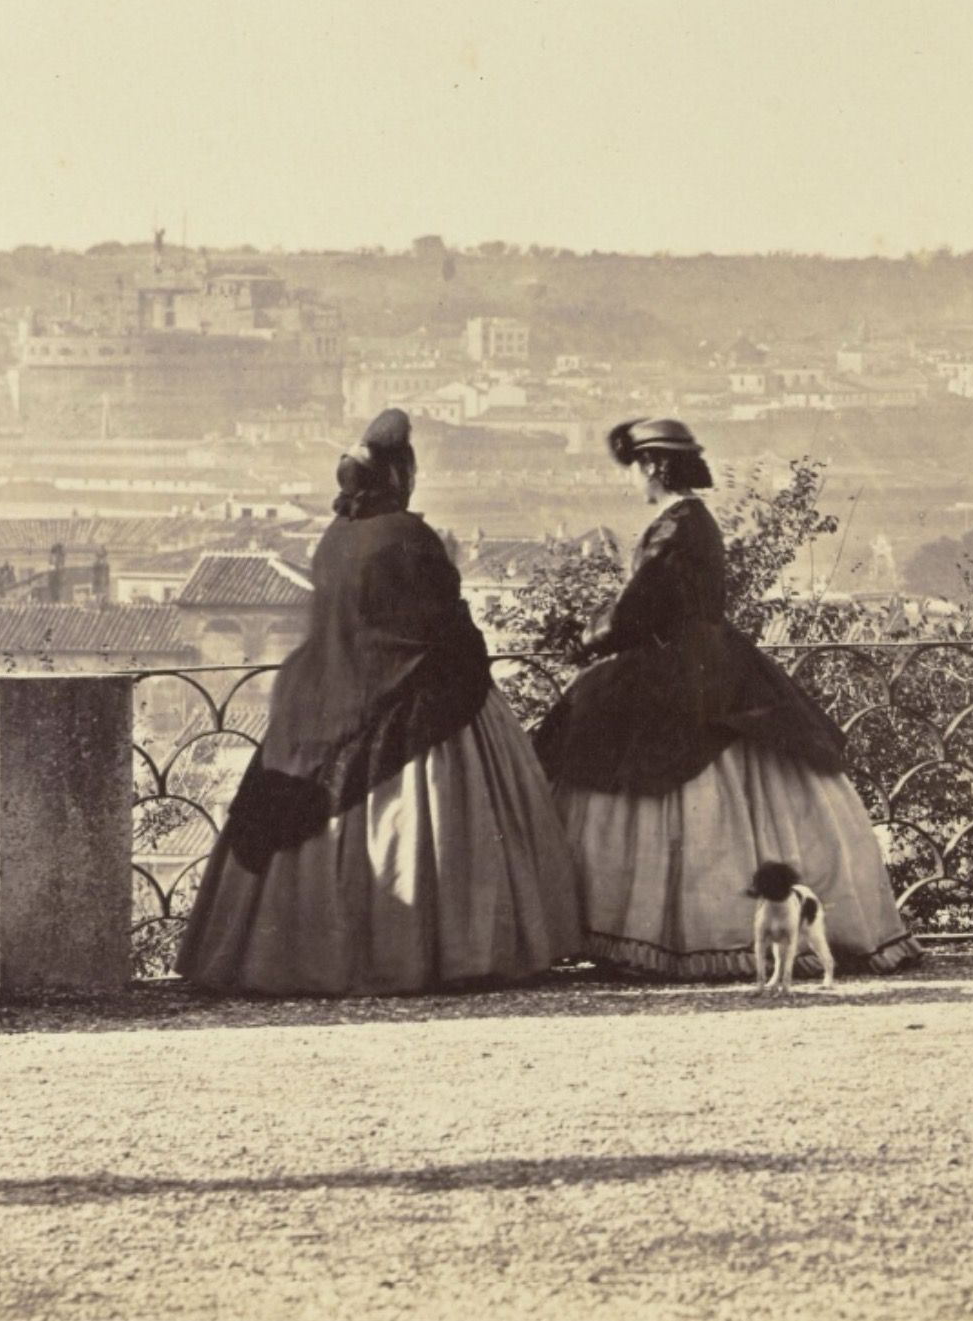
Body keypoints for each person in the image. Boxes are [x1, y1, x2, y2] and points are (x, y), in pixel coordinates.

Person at [180, 410, 583, 995]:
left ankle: (292, 956)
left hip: (324, 695)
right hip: (421, 698)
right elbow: (443, 624)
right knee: (441, 825)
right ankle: (438, 951)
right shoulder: (409, 536)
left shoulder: (333, 539)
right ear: (398, 476)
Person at [532, 417, 920, 980]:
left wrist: (584, 637)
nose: (634, 480)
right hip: (711, 661)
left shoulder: (676, 526)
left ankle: (669, 936)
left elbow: (639, 608)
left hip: (679, 668)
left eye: (638, 468)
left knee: (652, 773)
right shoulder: (695, 521)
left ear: (654, 467)